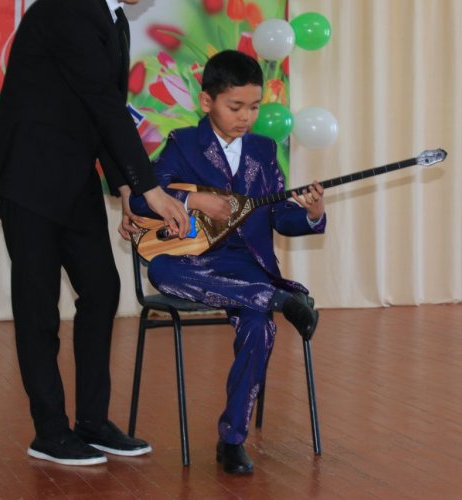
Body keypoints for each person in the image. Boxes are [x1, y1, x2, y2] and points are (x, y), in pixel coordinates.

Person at [0, 0, 190, 467]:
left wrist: (126, 189)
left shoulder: (113, 18)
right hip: (28, 174)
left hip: (73, 176)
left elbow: (101, 111)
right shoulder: (68, 7)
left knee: (102, 288)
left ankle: (92, 422)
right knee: (38, 304)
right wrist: (150, 190)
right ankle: (50, 432)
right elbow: (103, 104)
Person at [128, 50, 325, 475]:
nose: (246, 118)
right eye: (235, 107)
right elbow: (145, 198)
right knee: (161, 271)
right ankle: (277, 298)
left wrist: (311, 213)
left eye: (254, 107)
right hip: (193, 262)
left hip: (246, 266)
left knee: (260, 327)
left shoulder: (263, 150)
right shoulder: (183, 144)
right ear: (207, 102)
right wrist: (193, 200)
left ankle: (232, 439)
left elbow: (278, 215)